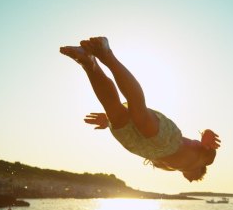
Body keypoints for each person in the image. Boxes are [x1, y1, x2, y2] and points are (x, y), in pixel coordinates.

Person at [60, 37, 221, 181]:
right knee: (139, 115)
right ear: (201, 171)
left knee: (113, 111)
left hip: (138, 146)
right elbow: (208, 143)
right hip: (167, 140)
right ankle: (106, 54)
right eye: (195, 179)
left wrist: (107, 121)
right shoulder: (205, 160)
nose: (190, 180)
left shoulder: (170, 168)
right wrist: (207, 134)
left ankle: (88, 61)